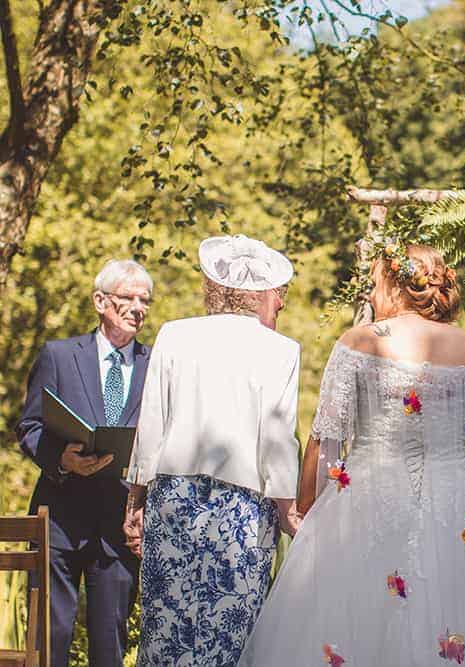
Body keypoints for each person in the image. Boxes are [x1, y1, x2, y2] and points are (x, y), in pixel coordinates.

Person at [239, 243, 465, 666]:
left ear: (396, 286)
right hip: (458, 499)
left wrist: (306, 508)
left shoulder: (360, 341)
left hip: (368, 494)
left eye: (376, 284)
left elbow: (326, 437)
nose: (372, 293)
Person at [123, 235, 302, 666]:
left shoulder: (174, 335)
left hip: (174, 502)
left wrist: (135, 500)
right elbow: (278, 440)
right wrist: (288, 510)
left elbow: (151, 425)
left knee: (167, 631)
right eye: (279, 293)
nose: (281, 303)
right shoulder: (281, 350)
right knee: (230, 635)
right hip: (241, 511)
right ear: (258, 293)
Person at [16, 259, 153, 667]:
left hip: (120, 524)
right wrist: (61, 459)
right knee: (49, 638)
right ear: (100, 301)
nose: (138, 308)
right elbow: (29, 426)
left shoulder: (158, 364)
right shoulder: (58, 356)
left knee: (109, 644)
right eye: (128, 298)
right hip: (59, 519)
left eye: (145, 300)